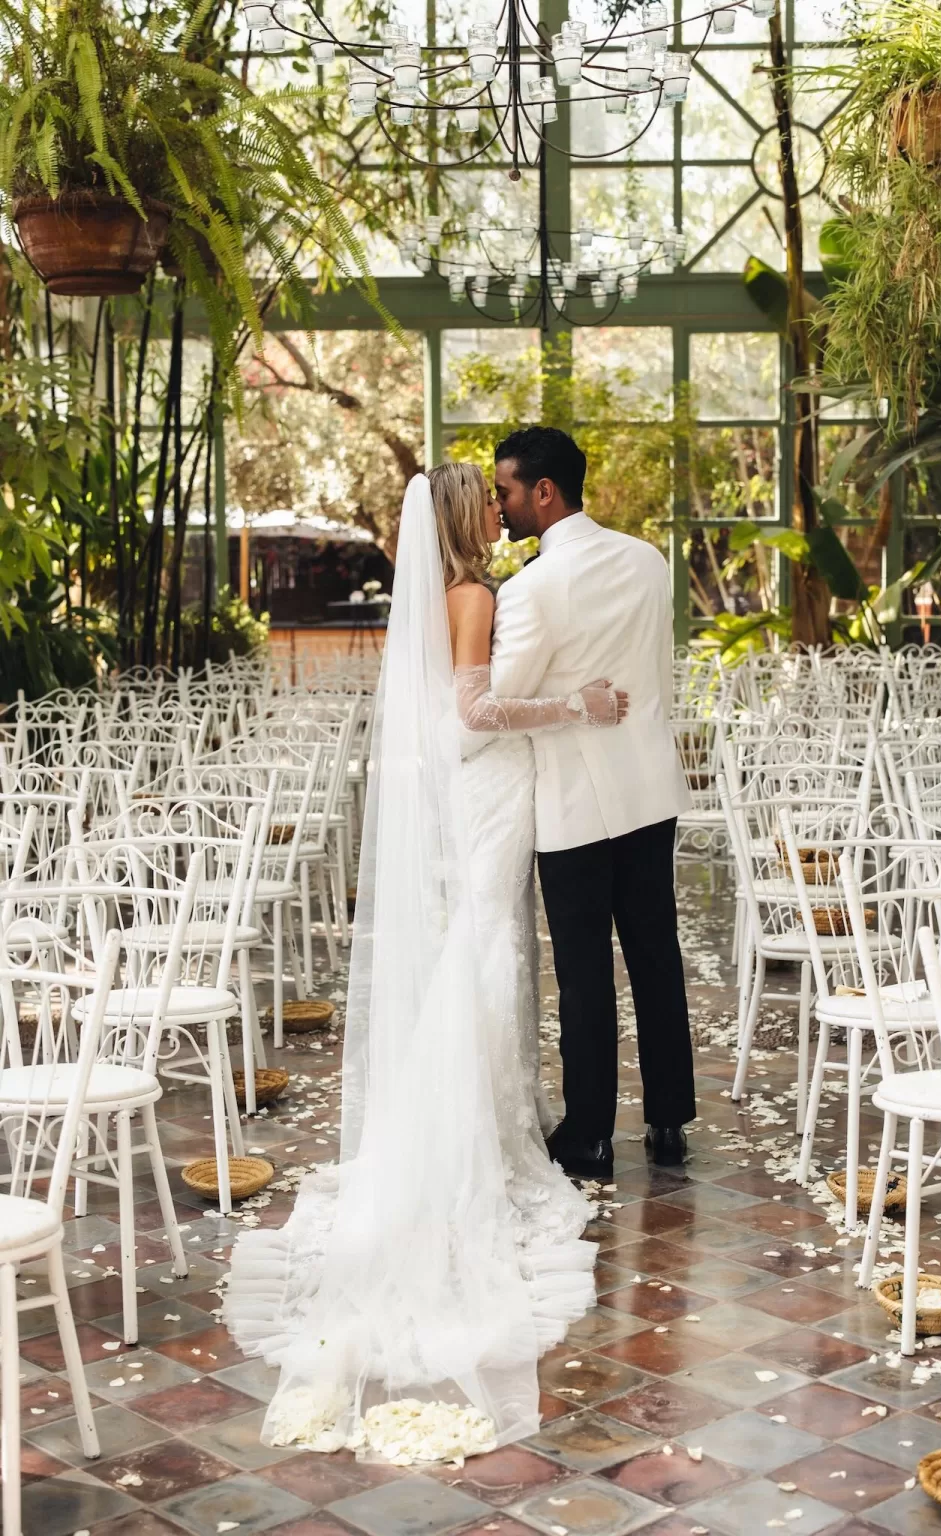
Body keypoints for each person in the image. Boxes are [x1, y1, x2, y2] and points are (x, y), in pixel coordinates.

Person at [225, 465, 627, 1463]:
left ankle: (485, 1113)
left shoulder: (457, 593)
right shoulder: (475, 595)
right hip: (490, 786)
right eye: (486, 502)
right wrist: (576, 704)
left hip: (479, 797)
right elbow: (474, 713)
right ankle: (476, 1129)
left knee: (483, 945)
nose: (499, 509)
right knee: (486, 947)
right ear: (461, 519)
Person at [491, 425, 695, 1183]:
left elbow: (501, 698)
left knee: (583, 974)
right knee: (655, 956)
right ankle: (669, 1120)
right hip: (650, 786)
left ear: (544, 491)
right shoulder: (647, 561)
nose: (500, 505)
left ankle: (591, 1136)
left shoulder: (532, 589)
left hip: (576, 803)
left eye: (506, 490)